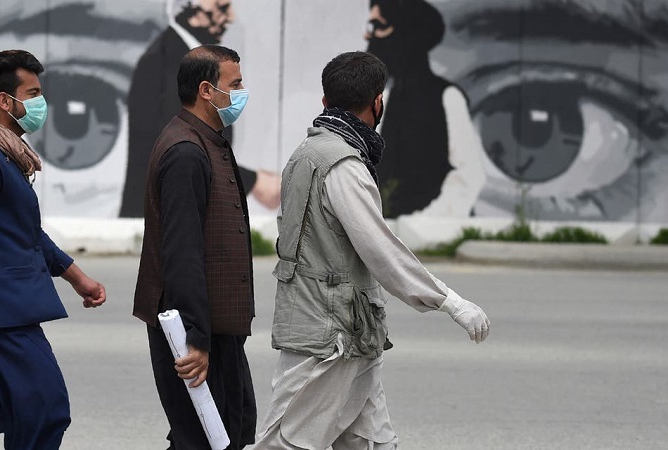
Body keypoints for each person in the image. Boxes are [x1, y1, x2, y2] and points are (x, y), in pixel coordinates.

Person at [254, 51, 490, 449]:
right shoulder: (342, 164)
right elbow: (380, 250)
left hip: (350, 331)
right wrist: (450, 301)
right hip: (329, 336)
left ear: (325, 101)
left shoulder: (307, 153)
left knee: (371, 442)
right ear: (378, 102)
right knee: (286, 443)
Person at [0, 50, 107, 449]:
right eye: (33, 93)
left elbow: (23, 232)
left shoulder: (6, 157)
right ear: (5, 101)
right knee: (46, 411)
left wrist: (75, 277)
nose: (41, 102)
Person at [132, 44, 256, 449]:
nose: (241, 93)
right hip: (197, 333)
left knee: (221, 434)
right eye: (234, 85)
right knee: (205, 440)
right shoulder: (186, 151)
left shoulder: (203, 140)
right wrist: (196, 340)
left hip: (216, 329)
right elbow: (182, 254)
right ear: (206, 90)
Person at [120, 0, 280, 218]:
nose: (231, 17)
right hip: (167, 217)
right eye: (221, 7)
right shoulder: (165, 62)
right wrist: (252, 182)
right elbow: (179, 147)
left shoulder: (183, 58)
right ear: (189, 6)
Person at [366, 0, 485, 218]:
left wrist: (425, 223)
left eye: (378, 26)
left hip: (432, 233)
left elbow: (469, 175)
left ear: (406, 33)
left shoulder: (447, 97)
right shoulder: (387, 99)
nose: (369, 36)